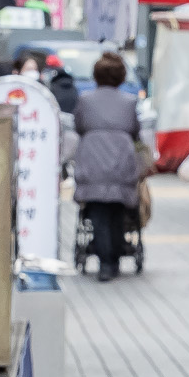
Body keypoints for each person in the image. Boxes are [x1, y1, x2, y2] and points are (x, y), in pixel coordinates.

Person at [71, 51, 147, 283]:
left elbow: (79, 126)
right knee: (117, 210)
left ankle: (106, 262)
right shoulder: (129, 101)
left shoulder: (85, 100)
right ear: (122, 76)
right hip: (121, 158)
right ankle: (113, 257)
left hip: (92, 157)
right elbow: (135, 130)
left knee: (96, 212)